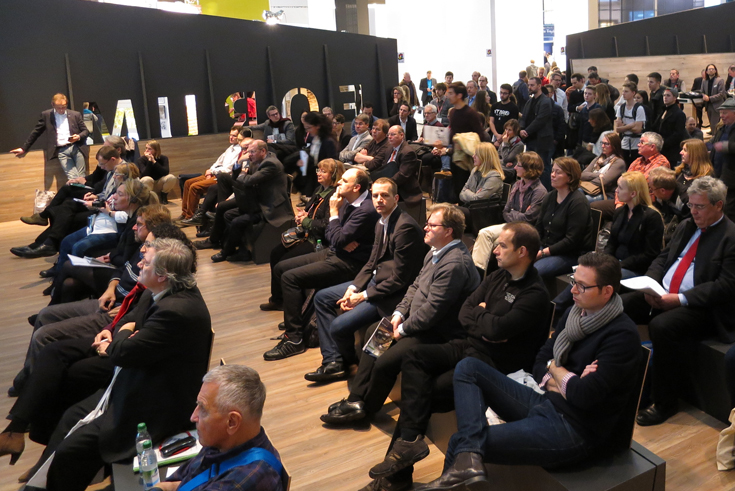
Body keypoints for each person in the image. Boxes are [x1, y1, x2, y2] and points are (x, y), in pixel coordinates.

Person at [416, 253, 641, 491]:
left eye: (582, 286)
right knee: (469, 367)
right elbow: (541, 361)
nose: (573, 290)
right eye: (574, 281)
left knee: (459, 442)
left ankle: (468, 453)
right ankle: (470, 454)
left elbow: (584, 396)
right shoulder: (574, 313)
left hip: (574, 430)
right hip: (547, 403)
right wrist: (563, 375)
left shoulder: (622, 336)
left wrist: (558, 373)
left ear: (607, 291)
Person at [4, 238, 212, 490]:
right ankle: (39, 475)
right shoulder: (161, 290)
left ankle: (46, 479)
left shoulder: (176, 310)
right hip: (135, 380)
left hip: (156, 403)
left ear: (162, 275)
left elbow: (122, 352)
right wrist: (123, 330)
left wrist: (122, 333)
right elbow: (132, 318)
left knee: (72, 450)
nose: (139, 264)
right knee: (70, 416)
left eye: (145, 263)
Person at [362, 222, 550, 491]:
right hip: (469, 345)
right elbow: (466, 311)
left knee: (422, 394)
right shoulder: (498, 275)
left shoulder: (535, 294)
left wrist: (483, 316)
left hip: (492, 366)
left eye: (502, 245)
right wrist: (486, 320)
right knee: (414, 356)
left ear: (522, 252)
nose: (495, 250)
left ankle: (396, 476)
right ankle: (408, 446)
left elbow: (496, 330)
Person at [320, 204, 481, 427]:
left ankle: (367, 408)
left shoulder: (454, 264)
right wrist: (398, 313)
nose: (425, 228)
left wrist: (403, 329)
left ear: (448, 231)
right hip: (420, 322)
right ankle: (356, 399)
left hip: (440, 332)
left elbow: (433, 311)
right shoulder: (436, 251)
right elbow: (415, 287)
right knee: (374, 331)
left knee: (386, 361)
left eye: (432, 225)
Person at [8, 206, 172, 398]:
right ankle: (30, 373)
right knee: (46, 313)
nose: (134, 228)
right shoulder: (142, 248)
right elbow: (122, 270)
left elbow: (145, 302)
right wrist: (110, 288)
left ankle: (32, 388)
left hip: (117, 312)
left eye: (139, 224)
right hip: (112, 299)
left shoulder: (156, 264)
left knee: (43, 334)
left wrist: (126, 310)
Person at [623, 177, 735, 426]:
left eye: (700, 206)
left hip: (702, 306)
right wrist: (649, 284)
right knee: (621, 306)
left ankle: (665, 402)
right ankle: (622, 378)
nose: (693, 211)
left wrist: (681, 299)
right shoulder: (687, 225)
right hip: (662, 292)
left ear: (718, 205)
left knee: (663, 326)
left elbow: (725, 286)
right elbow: (662, 258)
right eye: (691, 205)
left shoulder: (731, 236)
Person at [305, 178, 425, 382]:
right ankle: (334, 362)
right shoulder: (381, 221)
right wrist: (354, 287)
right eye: (375, 195)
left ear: (396, 198)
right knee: (322, 297)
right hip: (374, 282)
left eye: (384, 195)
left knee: (338, 326)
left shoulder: (405, 227)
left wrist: (362, 296)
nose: (379, 200)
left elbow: (399, 280)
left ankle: (348, 363)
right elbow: (371, 262)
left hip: (389, 293)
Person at [263, 168, 379, 360]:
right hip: (335, 251)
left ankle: (294, 339)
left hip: (350, 262)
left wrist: (335, 217)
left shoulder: (364, 209)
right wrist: (340, 236)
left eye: (344, 180)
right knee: (281, 268)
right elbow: (330, 233)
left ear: (356, 187)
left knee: (290, 278)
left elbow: (334, 234)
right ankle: (298, 319)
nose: (339, 182)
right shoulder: (345, 199)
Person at [156, 365, 284, 491]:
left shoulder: (241, 481)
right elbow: (175, 483)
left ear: (232, 422)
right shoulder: (222, 442)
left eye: (203, 409)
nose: (193, 417)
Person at [259, 159, 343, 312]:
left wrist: (305, 220)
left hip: (319, 241)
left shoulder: (334, 196)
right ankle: (277, 299)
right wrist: (303, 215)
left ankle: (292, 305)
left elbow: (326, 225)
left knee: (283, 262)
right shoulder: (319, 189)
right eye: (318, 170)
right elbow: (311, 212)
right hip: (307, 234)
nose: (319, 174)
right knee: (275, 253)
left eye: (324, 171)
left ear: (334, 175)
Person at [11, 144, 123, 258]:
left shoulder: (121, 173)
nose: (101, 167)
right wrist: (95, 196)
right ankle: (42, 244)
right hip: (99, 205)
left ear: (113, 159)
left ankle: (45, 242)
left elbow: (114, 197)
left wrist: (97, 199)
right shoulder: (111, 171)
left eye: (103, 164)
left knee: (65, 214)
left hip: (104, 212)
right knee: (64, 209)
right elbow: (104, 190)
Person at [207, 140, 293, 263]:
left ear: (263, 151)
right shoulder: (257, 161)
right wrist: (240, 164)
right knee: (227, 214)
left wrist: (242, 173)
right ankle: (240, 250)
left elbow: (248, 180)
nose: (249, 155)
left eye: (252, 152)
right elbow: (240, 179)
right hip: (257, 201)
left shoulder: (271, 164)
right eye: (248, 152)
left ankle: (227, 252)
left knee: (237, 221)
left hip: (270, 207)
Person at [472, 152, 547, 272]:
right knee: (484, 234)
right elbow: (506, 211)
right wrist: (517, 213)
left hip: (526, 230)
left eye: (519, 165)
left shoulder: (539, 191)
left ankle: (481, 275)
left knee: (494, 241)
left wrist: (513, 212)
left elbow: (527, 219)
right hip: (511, 225)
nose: (515, 167)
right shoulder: (517, 185)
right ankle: (477, 274)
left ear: (529, 169)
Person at [534, 157, 591, 279]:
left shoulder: (578, 203)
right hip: (545, 247)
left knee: (534, 271)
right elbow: (539, 227)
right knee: (514, 260)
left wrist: (542, 253)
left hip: (568, 254)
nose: (552, 175)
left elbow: (572, 240)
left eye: (558, 172)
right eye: (552, 171)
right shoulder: (550, 196)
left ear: (570, 177)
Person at [10, 93, 90, 180]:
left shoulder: (75, 114)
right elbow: (36, 132)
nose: (61, 110)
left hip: (77, 148)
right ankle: (78, 188)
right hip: (62, 151)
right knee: (72, 178)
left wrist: (78, 136)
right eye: (58, 107)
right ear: (53, 105)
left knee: (81, 176)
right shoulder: (47, 115)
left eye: (63, 107)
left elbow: (86, 131)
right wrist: (24, 148)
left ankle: (82, 188)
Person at [604, 171, 664, 278]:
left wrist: (618, 265)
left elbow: (650, 254)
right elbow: (611, 243)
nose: (616, 190)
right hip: (616, 264)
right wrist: (606, 261)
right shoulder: (620, 212)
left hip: (637, 269)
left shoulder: (651, 217)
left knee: (601, 278)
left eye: (620, 188)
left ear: (633, 194)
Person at [179, 126, 241, 220]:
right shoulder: (230, 148)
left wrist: (212, 171)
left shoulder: (239, 150)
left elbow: (228, 169)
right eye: (230, 135)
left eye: (234, 136)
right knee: (187, 183)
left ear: (239, 137)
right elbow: (218, 162)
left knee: (194, 187)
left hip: (222, 177)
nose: (231, 137)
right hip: (214, 173)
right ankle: (184, 213)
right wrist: (210, 170)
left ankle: (190, 216)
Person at [374, 126, 422, 206]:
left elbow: (402, 175)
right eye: (388, 135)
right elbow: (382, 166)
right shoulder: (389, 148)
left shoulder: (408, 152)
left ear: (401, 135)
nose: (389, 137)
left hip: (403, 189)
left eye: (393, 134)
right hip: (390, 182)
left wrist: (384, 184)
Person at [520, 77, 555, 189]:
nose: (529, 87)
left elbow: (540, 120)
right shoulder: (529, 101)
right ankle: (533, 189)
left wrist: (527, 131)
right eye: (529, 85)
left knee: (542, 167)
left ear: (539, 86)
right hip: (530, 139)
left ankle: (546, 191)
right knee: (530, 167)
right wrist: (521, 129)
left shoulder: (546, 101)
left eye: (532, 85)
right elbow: (524, 117)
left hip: (542, 140)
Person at [295, 111, 339, 197]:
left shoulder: (328, 141)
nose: (307, 131)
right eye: (306, 128)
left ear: (318, 126)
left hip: (325, 179)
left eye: (309, 128)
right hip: (315, 177)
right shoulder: (315, 139)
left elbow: (332, 164)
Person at [458, 143, 504, 224]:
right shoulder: (475, 170)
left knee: (449, 212)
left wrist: (468, 192)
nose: (473, 156)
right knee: (447, 211)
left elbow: (478, 200)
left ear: (485, 157)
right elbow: (461, 194)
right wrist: (473, 195)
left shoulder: (494, 176)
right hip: (471, 209)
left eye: (477, 154)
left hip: (483, 215)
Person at [709, 98, 735, 221]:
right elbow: (713, 144)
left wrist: (727, 146)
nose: (721, 116)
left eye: (725, 113)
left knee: (729, 211)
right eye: (720, 113)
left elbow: (724, 146)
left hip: (731, 180)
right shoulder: (722, 129)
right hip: (718, 175)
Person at [580, 132, 625, 202]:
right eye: (602, 143)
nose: (603, 146)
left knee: (582, 200)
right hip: (590, 189)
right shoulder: (598, 159)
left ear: (614, 146)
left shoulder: (619, 162)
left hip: (607, 194)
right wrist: (598, 175)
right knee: (573, 192)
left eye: (606, 144)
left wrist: (588, 179)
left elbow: (603, 181)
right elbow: (583, 175)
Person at [653, 87, 688, 167]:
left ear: (675, 98)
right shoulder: (663, 110)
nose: (665, 97)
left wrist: (663, 143)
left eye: (668, 95)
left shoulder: (679, 114)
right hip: (661, 148)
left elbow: (678, 134)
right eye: (664, 95)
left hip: (671, 151)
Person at [615, 82, 647, 165]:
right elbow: (618, 129)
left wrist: (624, 126)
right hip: (624, 143)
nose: (623, 93)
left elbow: (638, 129)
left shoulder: (639, 108)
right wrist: (632, 125)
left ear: (633, 93)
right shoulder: (621, 108)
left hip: (636, 145)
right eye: (623, 91)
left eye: (626, 91)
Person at [676, 138, 714, 209]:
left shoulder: (706, 178)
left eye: (685, 150)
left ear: (695, 154)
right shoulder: (680, 171)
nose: (681, 152)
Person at [701, 64, 726, 128]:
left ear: (715, 71)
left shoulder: (720, 80)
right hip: (708, 105)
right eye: (709, 69)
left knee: (715, 125)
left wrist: (709, 98)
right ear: (706, 71)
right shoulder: (704, 81)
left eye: (713, 69)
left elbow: (721, 94)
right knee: (712, 125)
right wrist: (704, 96)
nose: (711, 70)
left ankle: (715, 134)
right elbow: (702, 91)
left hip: (717, 105)